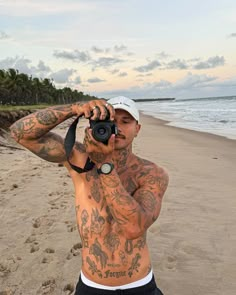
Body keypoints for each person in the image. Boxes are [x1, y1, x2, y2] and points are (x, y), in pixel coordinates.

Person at [10, 96, 169, 295]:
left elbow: (133, 227)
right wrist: (74, 108)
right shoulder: (78, 157)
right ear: (94, 124)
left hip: (139, 285)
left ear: (137, 129)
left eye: (125, 121)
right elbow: (20, 133)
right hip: (92, 285)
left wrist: (104, 164)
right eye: (110, 122)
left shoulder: (152, 173)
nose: (116, 128)